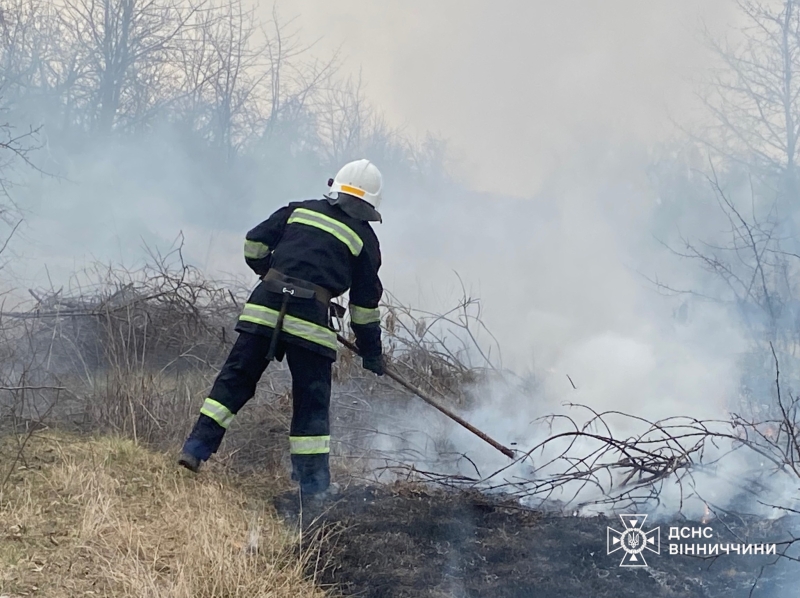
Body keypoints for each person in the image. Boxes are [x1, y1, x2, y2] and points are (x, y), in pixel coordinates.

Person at [178, 159, 386, 503]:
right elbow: (364, 307)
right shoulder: (364, 238)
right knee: (311, 403)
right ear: (369, 206)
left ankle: (195, 449)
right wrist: (371, 353)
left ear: (336, 189)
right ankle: (314, 487)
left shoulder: (298, 211)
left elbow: (254, 245)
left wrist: (270, 274)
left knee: (234, 381)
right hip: (310, 321)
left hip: (265, 306)